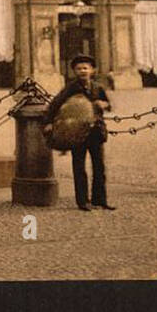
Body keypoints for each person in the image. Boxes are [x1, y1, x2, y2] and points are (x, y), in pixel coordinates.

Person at [44, 54, 116, 211]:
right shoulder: (71, 88)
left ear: (92, 70)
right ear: (74, 71)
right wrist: (49, 122)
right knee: (79, 167)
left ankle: (100, 200)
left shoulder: (98, 87)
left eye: (86, 68)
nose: (82, 71)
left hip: (96, 132)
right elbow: (55, 104)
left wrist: (104, 104)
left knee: (99, 167)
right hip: (78, 133)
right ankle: (82, 201)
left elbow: (110, 105)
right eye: (79, 68)